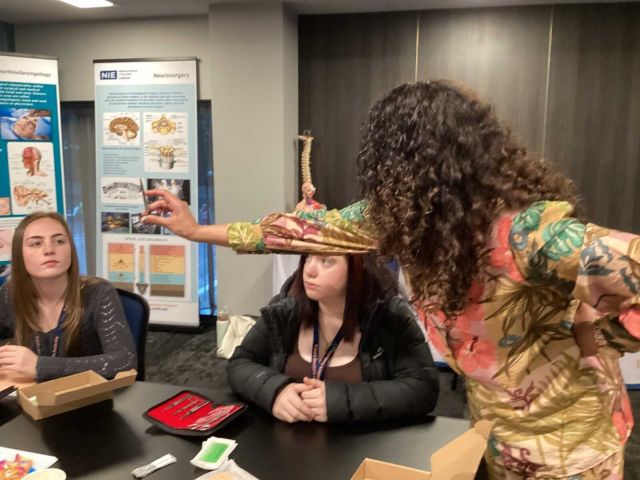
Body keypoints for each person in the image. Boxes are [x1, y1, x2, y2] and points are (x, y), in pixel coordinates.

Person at [143, 80, 639, 478]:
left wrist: (596, 333)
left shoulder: (526, 235)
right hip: (494, 433)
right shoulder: (404, 220)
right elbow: (300, 230)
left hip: (572, 448)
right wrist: (196, 231)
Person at [227, 253, 439, 423]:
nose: (309, 270)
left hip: (363, 450)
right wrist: (275, 391)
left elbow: (422, 389)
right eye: (308, 257)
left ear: (357, 266)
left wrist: (341, 401)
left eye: (326, 261)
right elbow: (240, 363)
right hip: (288, 449)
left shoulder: (390, 316)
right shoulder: (286, 308)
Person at [0, 212, 137, 383]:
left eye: (59, 241)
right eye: (36, 243)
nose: (49, 250)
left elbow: (125, 361)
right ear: (19, 256)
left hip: (86, 396)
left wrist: (40, 366)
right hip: (29, 394)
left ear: (71, 249)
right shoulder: (10, 293)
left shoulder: (98, 293)